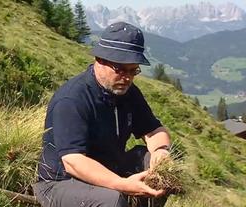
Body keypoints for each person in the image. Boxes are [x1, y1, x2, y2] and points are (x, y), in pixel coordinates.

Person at [33, 22, 171, 207]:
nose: (127, 77)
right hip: (61, 182)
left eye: (133, 70)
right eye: (120, 69)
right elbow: (74, 161)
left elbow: (154, 130)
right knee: (112, 200)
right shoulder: (73, 99)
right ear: (100, 60)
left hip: (108, 168)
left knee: (156, 165)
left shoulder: (127, 92)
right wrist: (121, 185)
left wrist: (161, 151)